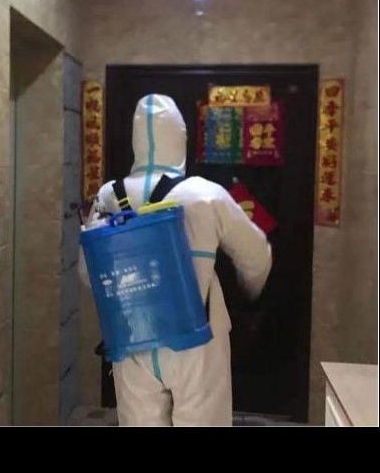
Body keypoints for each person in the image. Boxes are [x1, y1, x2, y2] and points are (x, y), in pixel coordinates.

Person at [79, 93, 272, 426]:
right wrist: (247, 292)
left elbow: (89, 272)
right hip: (197, 338)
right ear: (180, 137)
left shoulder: (107, 196)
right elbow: (257, 257)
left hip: (133, 339)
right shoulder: (205, 194)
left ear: (137, 141)